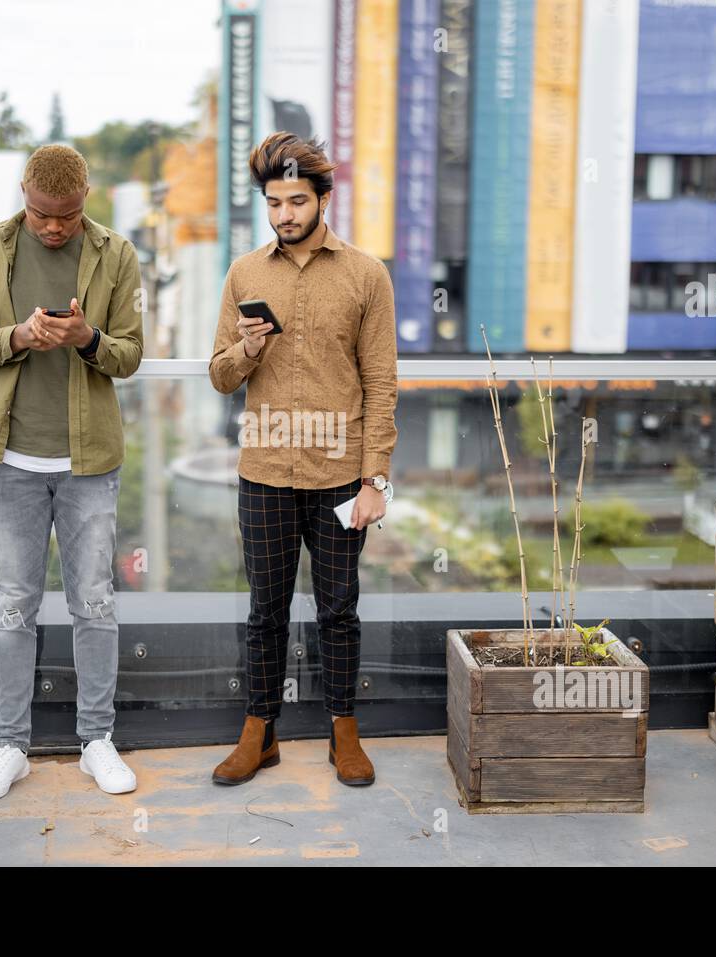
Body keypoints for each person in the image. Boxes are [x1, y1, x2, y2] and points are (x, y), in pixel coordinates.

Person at [0, 145, 143, 799]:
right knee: (13, 605)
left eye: (66, 216)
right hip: (12, 457)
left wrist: (87, 338)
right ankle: (10, 746)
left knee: (94, 602)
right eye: (41, 215)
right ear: (24, 196)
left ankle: (96, 740)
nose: (53, 228)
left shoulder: (116, 253)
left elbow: (130, 356)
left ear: (86, 198)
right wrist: (18, 337)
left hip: (90, 461)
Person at [208, 132, 398, 787]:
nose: (284, 214)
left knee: (338, 610)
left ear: (323, 198)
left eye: (296, 200)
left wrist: (376, 480)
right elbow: (219, 376)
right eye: (273, 202)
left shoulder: (367, 275)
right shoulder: (244, 274)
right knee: (265, 611)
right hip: (263, 472)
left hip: (340, 475)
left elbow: (381, 381)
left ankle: (343, 730)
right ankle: (259, 732)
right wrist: (248, 350)